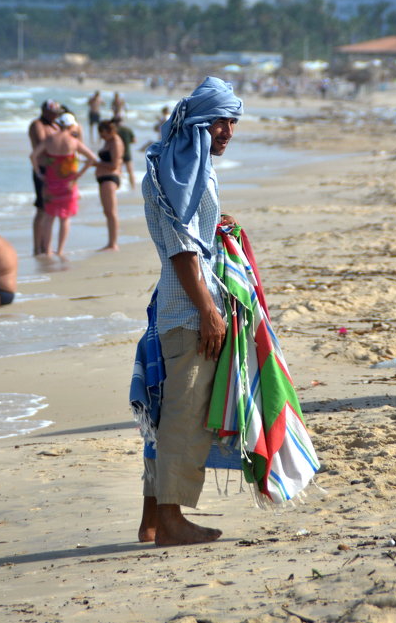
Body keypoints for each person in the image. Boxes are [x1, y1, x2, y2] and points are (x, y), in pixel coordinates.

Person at [137, 76, 243, 546]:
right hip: (185, 310)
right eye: (222, 121)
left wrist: (218, 224)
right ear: (201, 121)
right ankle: (171, 520)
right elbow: (182, 250)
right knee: (184, 412)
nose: (229, 131)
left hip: (177, 305)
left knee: (165, 414)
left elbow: (191, 233)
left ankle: (152, 519)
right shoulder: (177, 169)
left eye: (233, 122)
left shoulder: (186, 163)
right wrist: (208, 311)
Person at [30, 112, 98, 257]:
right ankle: (60, 250)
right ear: (71, 126)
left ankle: (47, 250)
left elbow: (33, 156)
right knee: (65, 218)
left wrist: (38, 173)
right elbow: (92, 158)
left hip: (50, 182)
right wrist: (79, 174)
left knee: (49, 217)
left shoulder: (49, 140)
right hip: (69, 183)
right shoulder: (73, 141)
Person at [28, 99, 61, 255]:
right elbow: (45, 143)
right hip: (42, 170)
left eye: (57, 114)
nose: (55, 116)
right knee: (41, 208)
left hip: (54, 171)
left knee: (51, 209)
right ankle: (37, 247)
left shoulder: (54, 126)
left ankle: (45, 244)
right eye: (53, 113)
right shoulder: (37, 125)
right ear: (45, 111)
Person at [95, 119, 124, 251]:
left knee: (111, 212)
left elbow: (114, 165)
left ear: (110, 131)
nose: (101, 136)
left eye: (103, 133)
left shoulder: (116, 142)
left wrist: (96, 164)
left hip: (110, 178)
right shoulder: (108, 141)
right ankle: (110, 242)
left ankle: (113, 243)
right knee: (107, 211)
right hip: (103, 178)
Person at [113, 116, 136, 190]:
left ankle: (118, 188)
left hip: (118, 154)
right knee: (130, 172)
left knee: (118, 171)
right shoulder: (128, 130)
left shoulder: (114, 131)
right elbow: (134, 140)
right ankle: (133, 187)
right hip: (127, 153)